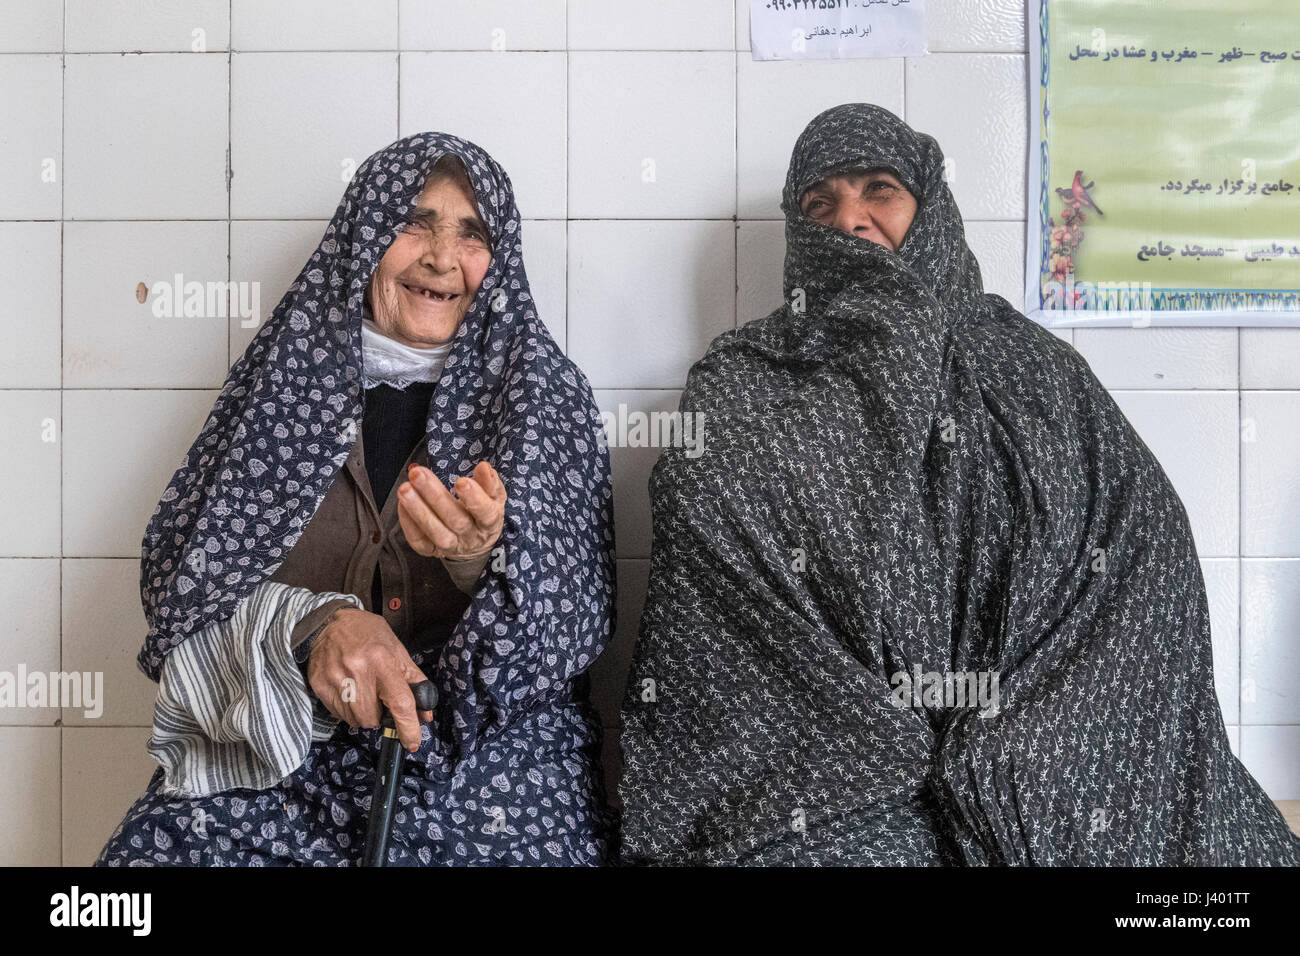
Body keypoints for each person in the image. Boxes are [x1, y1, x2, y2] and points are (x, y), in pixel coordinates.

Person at [615, 103, 1300, 865]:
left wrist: (1011, 743)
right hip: (826, 777)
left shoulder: (1034, 371)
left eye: (879, 189)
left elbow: (1137, 563)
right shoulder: (744, 383)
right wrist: (877, 742)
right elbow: (722, 609)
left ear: (930, 208)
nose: (850, 220)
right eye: (820, 203)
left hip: (1042, 744)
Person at [97, 133, 617, 866]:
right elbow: (182, 588)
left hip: (484, 753)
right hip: (283, 736)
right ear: (363, 237)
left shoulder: (543, 398)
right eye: (413, 222)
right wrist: (316, 625)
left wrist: (480, 563)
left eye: (472, 233)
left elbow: (572, 621)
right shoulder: (284, 379)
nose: (441, 257)